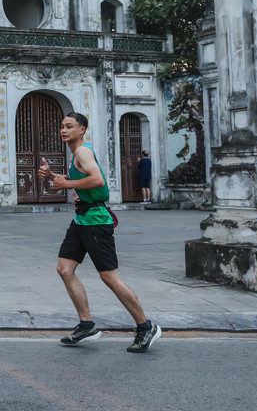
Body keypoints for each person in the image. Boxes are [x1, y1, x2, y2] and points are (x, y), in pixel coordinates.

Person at [37, 112, 161, 353]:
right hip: (81, 218)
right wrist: (52, 175)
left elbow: (98, 181)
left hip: (95, 220)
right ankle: (86, 325)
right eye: (62, 126)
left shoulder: (83, 152)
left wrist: (66, 184)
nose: (64, 130)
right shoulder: (76, 154)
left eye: (69, 126)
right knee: (64, 269)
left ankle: (145, 327)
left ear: (82, 129)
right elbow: (78, 178)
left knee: (109, 277)